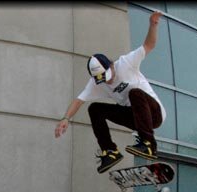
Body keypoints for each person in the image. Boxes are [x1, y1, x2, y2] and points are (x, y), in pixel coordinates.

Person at [55, 11, 166, 173]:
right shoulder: (96, 83)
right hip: (134, 117)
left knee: (134, 93)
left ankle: (149, 144)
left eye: (108, 76)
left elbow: (149, 45)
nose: (107, 81)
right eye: (102, 80)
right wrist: (66, 118)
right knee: (95, 109)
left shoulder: (126, 63)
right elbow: (79, 100)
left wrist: (153, 25)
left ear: (112, 65)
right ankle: (110, 151)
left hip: (154, 115)